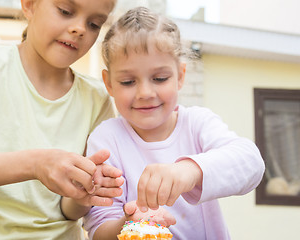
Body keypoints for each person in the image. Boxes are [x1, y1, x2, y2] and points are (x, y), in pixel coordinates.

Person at [0, 0, 124, 239]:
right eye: (65, 11)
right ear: (29, 5)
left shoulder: (97, 98)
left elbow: (69, 209)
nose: (80, 28)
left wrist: (83, 194)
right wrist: (36, 164)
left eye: (94, 24)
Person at [83, 6, 266, 240]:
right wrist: (130, 223)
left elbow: (251, 163)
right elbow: (98, 230)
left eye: (160, 78)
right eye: (128, 81)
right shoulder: (107, 139)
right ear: (108, 84)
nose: (145, 92)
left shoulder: (197, 123)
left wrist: (189, 170)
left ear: (180, 75)